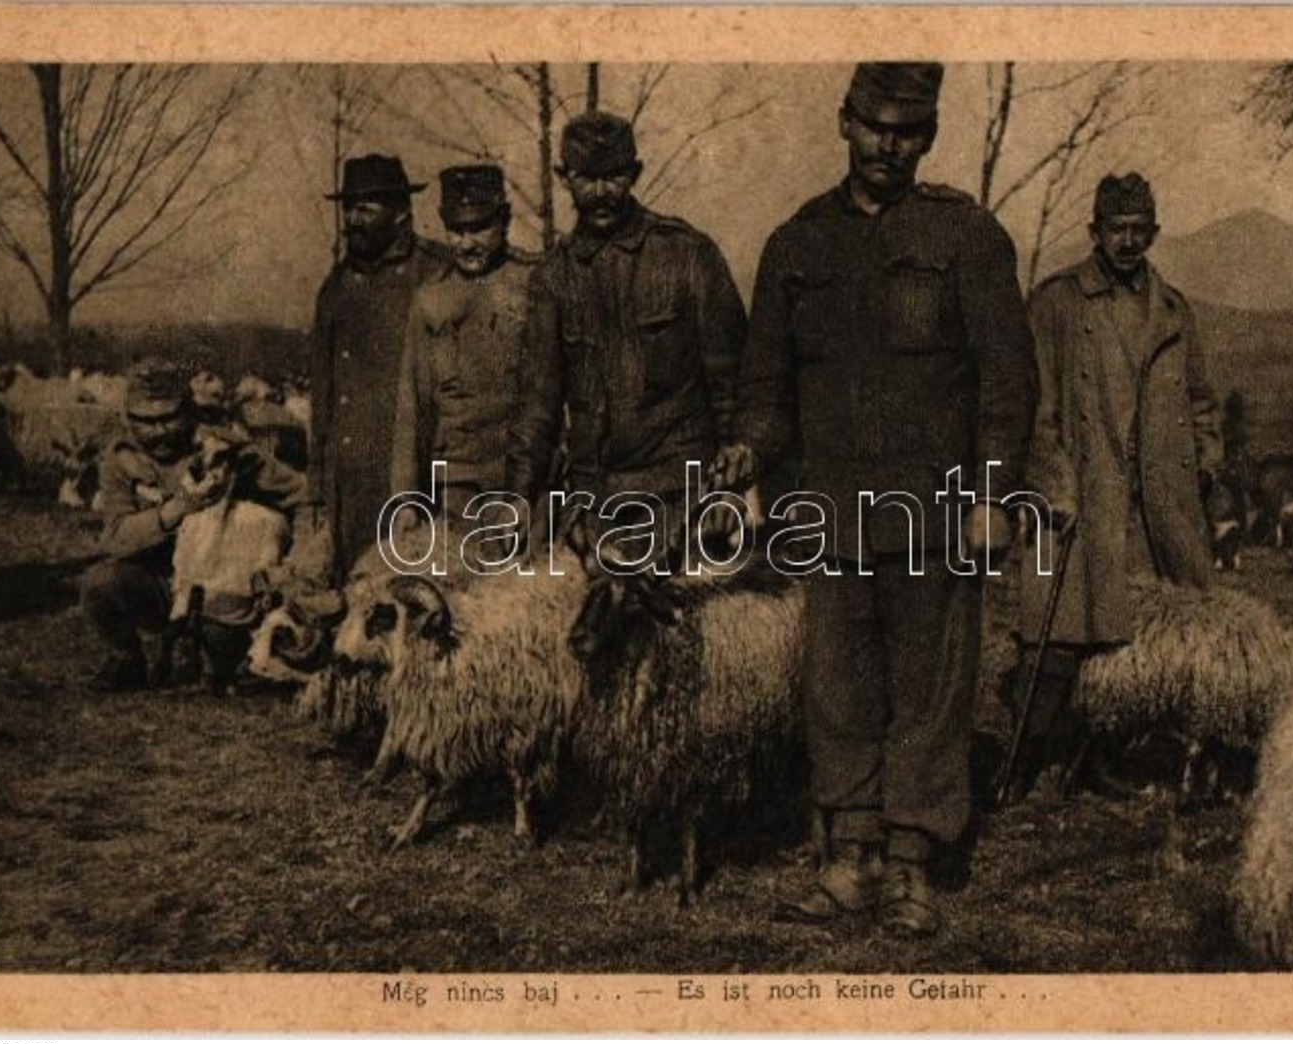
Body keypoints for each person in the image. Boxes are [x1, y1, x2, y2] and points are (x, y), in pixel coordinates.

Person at [733, 63, 1037, 936]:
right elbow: (766, 383)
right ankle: (849, 857)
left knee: (929, 687)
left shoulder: (965, 238)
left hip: (935, 511)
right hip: (828, 510)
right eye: (873, 126)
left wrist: (991, 495)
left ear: (929, 136)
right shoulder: (795, 245)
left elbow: (1006, 381)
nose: (887, 145)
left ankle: (911, 863)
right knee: (836, 684)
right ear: (843, 122)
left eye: (907, 130)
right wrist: (748, 447)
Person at [1015, 172, 1222, 796]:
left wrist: (1207, 461)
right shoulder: (1057, 304)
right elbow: (1034, 405)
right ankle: (1036, 761)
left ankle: (1145, 755)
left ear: (1153, 232)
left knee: (1164, 631)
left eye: (1139, 230)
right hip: (1082, 491)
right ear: (1095, 232)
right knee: (1057, 634)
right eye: (1116, 229)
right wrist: (1053, 481)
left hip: (1163, 499)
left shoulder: (1175, 311)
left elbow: (1202, 400)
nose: (1128, 242)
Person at [508, 110, 747, 545]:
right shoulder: (553, 277)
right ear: (564, 177)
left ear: (635, 173)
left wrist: (728, 490)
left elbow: (731, 378)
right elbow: (537, 402)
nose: (601, 192)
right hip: (596, 502)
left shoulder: (687, 254)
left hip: (683, 495)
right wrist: (520, 495)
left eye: (614, 176)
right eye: (586, 178)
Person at [79, 358, 307, 692]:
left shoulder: (225, 448)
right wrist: (177, 509)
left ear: (189, 411)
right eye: (146, 421)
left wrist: (294, 562)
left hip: (225, 587)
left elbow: (300, 493)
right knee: (100, 585)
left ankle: (224, 657)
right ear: (129, 419)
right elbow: (115, 538)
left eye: (169, 418)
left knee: (222, 643)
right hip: (159, 583)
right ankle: (126, 659)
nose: (159, 431)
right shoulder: (120, 458)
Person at [311, 154, 451, 582]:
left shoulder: (436, 272)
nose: (352, 220)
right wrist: (318, 486)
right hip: (349, 484)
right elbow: (323, 393)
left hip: (410, 479)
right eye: (348, 209)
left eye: (366, 210)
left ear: (401, 215)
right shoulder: (336, 284)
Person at [392, 164, 540, 536]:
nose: (467, 242)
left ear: (503, 221)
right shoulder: (431, 299)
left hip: (526, 479)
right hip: (459, 480)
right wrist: (406, 498)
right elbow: (412, 404)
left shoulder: (533, 284)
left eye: (479, 228)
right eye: (457, 230)